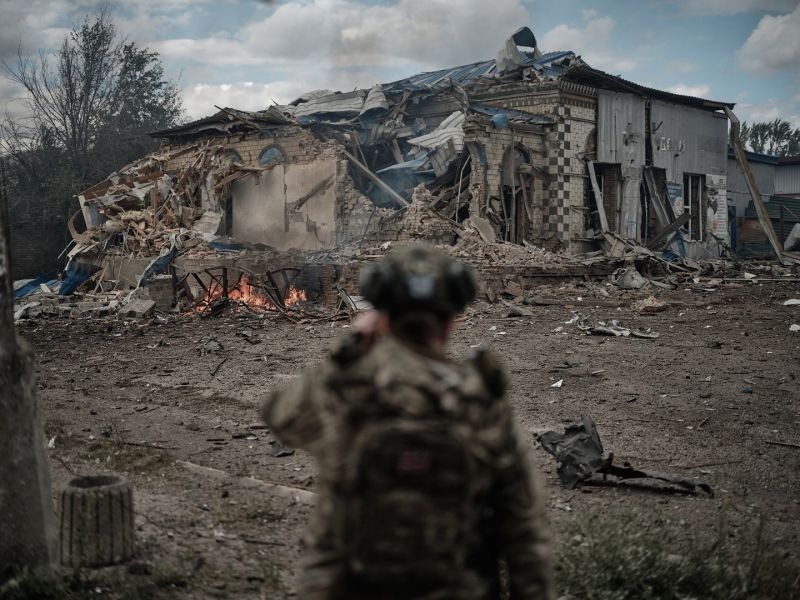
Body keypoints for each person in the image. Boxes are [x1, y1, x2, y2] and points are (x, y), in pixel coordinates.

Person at [260, 244, 553, 599]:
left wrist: (349, 348)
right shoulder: (481, 402)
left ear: (381, 316)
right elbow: (524, 532)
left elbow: (280, 416)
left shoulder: (349, 392)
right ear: (451, 319)